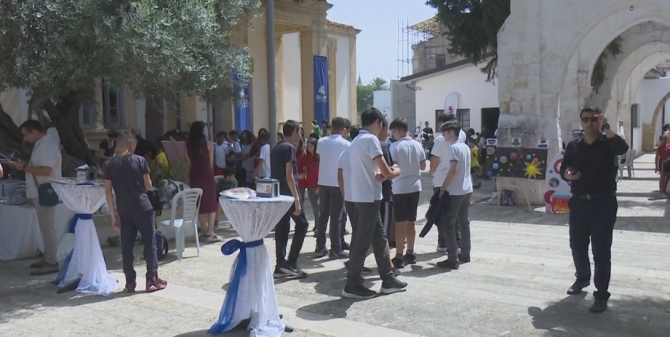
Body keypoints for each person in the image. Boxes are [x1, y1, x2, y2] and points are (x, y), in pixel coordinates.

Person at [560, 106, 628, 314]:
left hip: (603, 203)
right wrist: (569, 174)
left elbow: (622, 149)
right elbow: (564, 169)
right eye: (585, 120)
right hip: (580, 202)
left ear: (600, 120)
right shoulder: (574, 146)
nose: (589, 123)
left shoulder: (608, 143)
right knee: (577, 245)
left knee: (601, 250)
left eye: (593, 119)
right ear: (580, 122)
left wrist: (606, 128)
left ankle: (601, 294)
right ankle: (582, 278)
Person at [342, 107, 406, 299]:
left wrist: (379, 174)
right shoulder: (371, 140)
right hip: (368, 198)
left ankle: (388, 278)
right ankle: (352, 284)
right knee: (362, 242)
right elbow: (386, 172)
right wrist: (397, 170)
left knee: (380, 240)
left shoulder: (354, 142)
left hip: (359, 196)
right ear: (378, 123)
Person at [103, 131, 167, 292]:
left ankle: (130, 282)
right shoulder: (139, 161)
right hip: (142, 208)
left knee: (127, 247)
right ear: (131, 144)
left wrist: (113, 215)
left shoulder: (109, 165)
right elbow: (148, 185)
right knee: (149, 244)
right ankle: (152, 279)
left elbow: (108, 191)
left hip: (124, 210)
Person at [10, 120, 62, 275]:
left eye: (26, 135)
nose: (25, 139)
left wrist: (24, 167)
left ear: (35, 132)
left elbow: (46, 171)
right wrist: (24, 164)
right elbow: (39, 165)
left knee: (48, 229)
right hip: (39, 192)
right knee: (45, 229)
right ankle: (48, 258)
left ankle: (52, 261)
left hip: (45, 192)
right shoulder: (41, 145)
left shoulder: (47, 146)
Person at [272, 120, 309, 278]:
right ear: (294, 131)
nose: (300, 135)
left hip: (279, 194)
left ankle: (281, 263)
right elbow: (289, 176)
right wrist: (297, 200)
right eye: (299, 132)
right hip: (288, 195)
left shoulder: (276, 147)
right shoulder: (288, 148)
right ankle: (291, 261)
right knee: (302, 225)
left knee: (282, 228)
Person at [389, 117, 426, 269]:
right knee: (411, 221)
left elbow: (391, 168)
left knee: (400, 223)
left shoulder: (395, 146)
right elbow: (423, 166)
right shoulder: (418, 145)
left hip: (400, 187)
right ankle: (410, 252)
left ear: (397, 130)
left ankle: (398, 256)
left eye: (393, 132)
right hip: (415, 186)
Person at [435, 120, 473, 270]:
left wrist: (443, 187)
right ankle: (465, 253)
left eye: (445, 132)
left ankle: (452, 259)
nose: (443, 135)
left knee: (449, 223)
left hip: (455, 191)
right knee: (464, 222)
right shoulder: (465, 147)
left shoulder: (454, 148)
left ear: (451, 132)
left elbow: (453, 170)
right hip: (467, 189)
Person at [315, 117, 351, 259]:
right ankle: (335, 248)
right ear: (343, 129)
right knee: (336, 217)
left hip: (323, 182)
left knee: (323, 216)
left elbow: (319, 158)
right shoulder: (346, 144)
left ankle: (320, 246)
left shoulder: (321, 141)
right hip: (338, 183)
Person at [429, 113, 467, 252]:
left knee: (440, 214)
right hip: (457, 181)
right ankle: (455, 242)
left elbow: (434, 158)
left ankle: (445, 243)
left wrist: (432, 171)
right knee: (455, 216)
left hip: (441, 179)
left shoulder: (440, 139)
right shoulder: (462, 136)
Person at [187, 121, 222, 242]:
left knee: (199, 203)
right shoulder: (208, 144)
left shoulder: (188, 146)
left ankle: (204, 230)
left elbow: (189, 164)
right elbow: (211, 163)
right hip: (207, 174)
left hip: (194, 175)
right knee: (211, 203)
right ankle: (210, 231)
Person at [297, 137, 320, 229]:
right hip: (310, 184)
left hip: (319, 184)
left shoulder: (320, 157)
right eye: (308, 146)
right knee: (314, 206)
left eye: (311, 146)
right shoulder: (306, 157)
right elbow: (305, 168)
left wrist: (319, 186)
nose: (309, 148)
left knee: (318, 207)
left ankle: (318, 226)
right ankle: (317, 225)